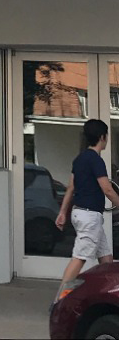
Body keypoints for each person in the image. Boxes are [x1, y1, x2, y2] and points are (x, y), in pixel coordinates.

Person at [54, 118, 119, 290]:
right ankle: (59, 301)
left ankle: (107, 292)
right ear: (103, 137)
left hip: (81, 213)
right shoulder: (96, 160)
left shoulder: (80, 159)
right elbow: (108, 189)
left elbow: (71, 187)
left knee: (106, 257)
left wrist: (62, 212)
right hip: (89, 216)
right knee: (79, 258)